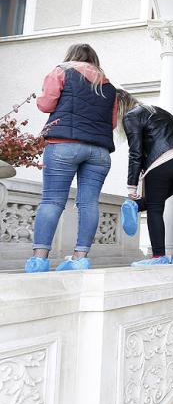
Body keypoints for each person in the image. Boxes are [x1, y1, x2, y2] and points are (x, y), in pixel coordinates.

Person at [26, 43, 118, 273]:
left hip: (64, 145)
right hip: (99, 151)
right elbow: (113, 123)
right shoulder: (109, 87)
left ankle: (39, 260)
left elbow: (46, 104)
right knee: (88, 203)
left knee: (52, 201)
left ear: (71, 56)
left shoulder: (61, 71)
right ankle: (80, 258)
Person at [117, 90, 173, 266]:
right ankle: (135, 205)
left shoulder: (131, 116)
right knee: (154, 201)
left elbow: (135, 152)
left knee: (155, 208)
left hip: (160, 163)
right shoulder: (160, 111)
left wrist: (131, 187)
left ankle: (159, 256)